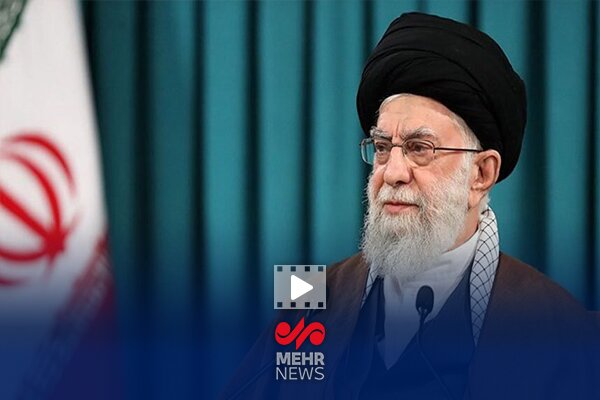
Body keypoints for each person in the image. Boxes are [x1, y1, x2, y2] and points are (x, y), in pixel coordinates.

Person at [222, 12, 600, 400]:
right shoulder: (306, 295)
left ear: (481, 174)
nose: (392, 172)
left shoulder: (562, 331)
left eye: (420, 148)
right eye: (382, 147)